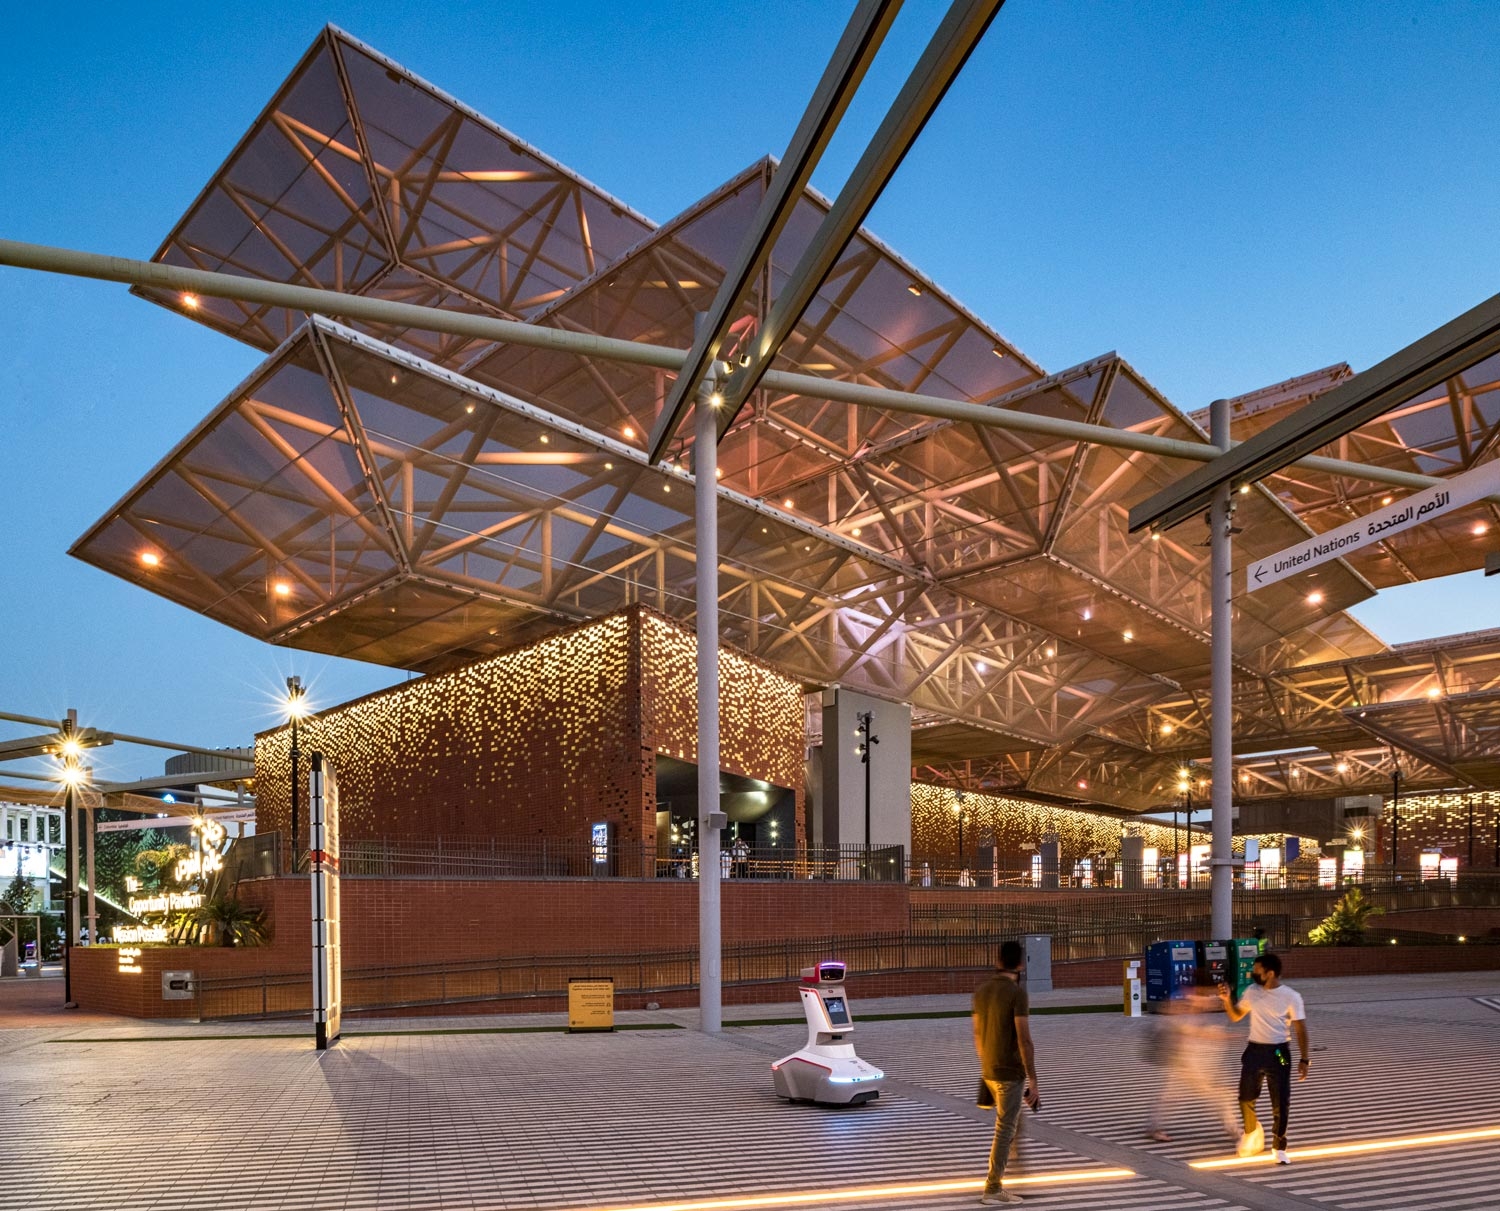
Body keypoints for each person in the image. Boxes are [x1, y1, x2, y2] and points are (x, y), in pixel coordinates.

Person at [1215, 951, 1309, 1165]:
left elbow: (1301, 1028)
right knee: (1245, 1096)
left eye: (1257, 971)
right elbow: (1236, 1015)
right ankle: (1251, 1132)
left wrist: (1304, 1059)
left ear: (1270, 973)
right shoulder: (1252, 991)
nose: (1252, 974)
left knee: (1281, 1100)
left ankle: (1279, 1146)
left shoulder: (1291, 996)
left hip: (1279, 1053)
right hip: (1254, 1050)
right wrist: (1226, 999)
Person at [973, 939, 1040, 1205]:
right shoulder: (1016, 993)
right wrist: (1033, 1079)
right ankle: (993, 1188)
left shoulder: (982, 990)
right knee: (1006, 1128)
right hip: (1009, 1073)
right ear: (1020, 964)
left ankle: (1017, 1167)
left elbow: (977, 1033)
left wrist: (986, 1063)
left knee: (1013, 1123)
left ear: (998, 961)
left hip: (988, 1069)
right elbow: (1024, 1039)